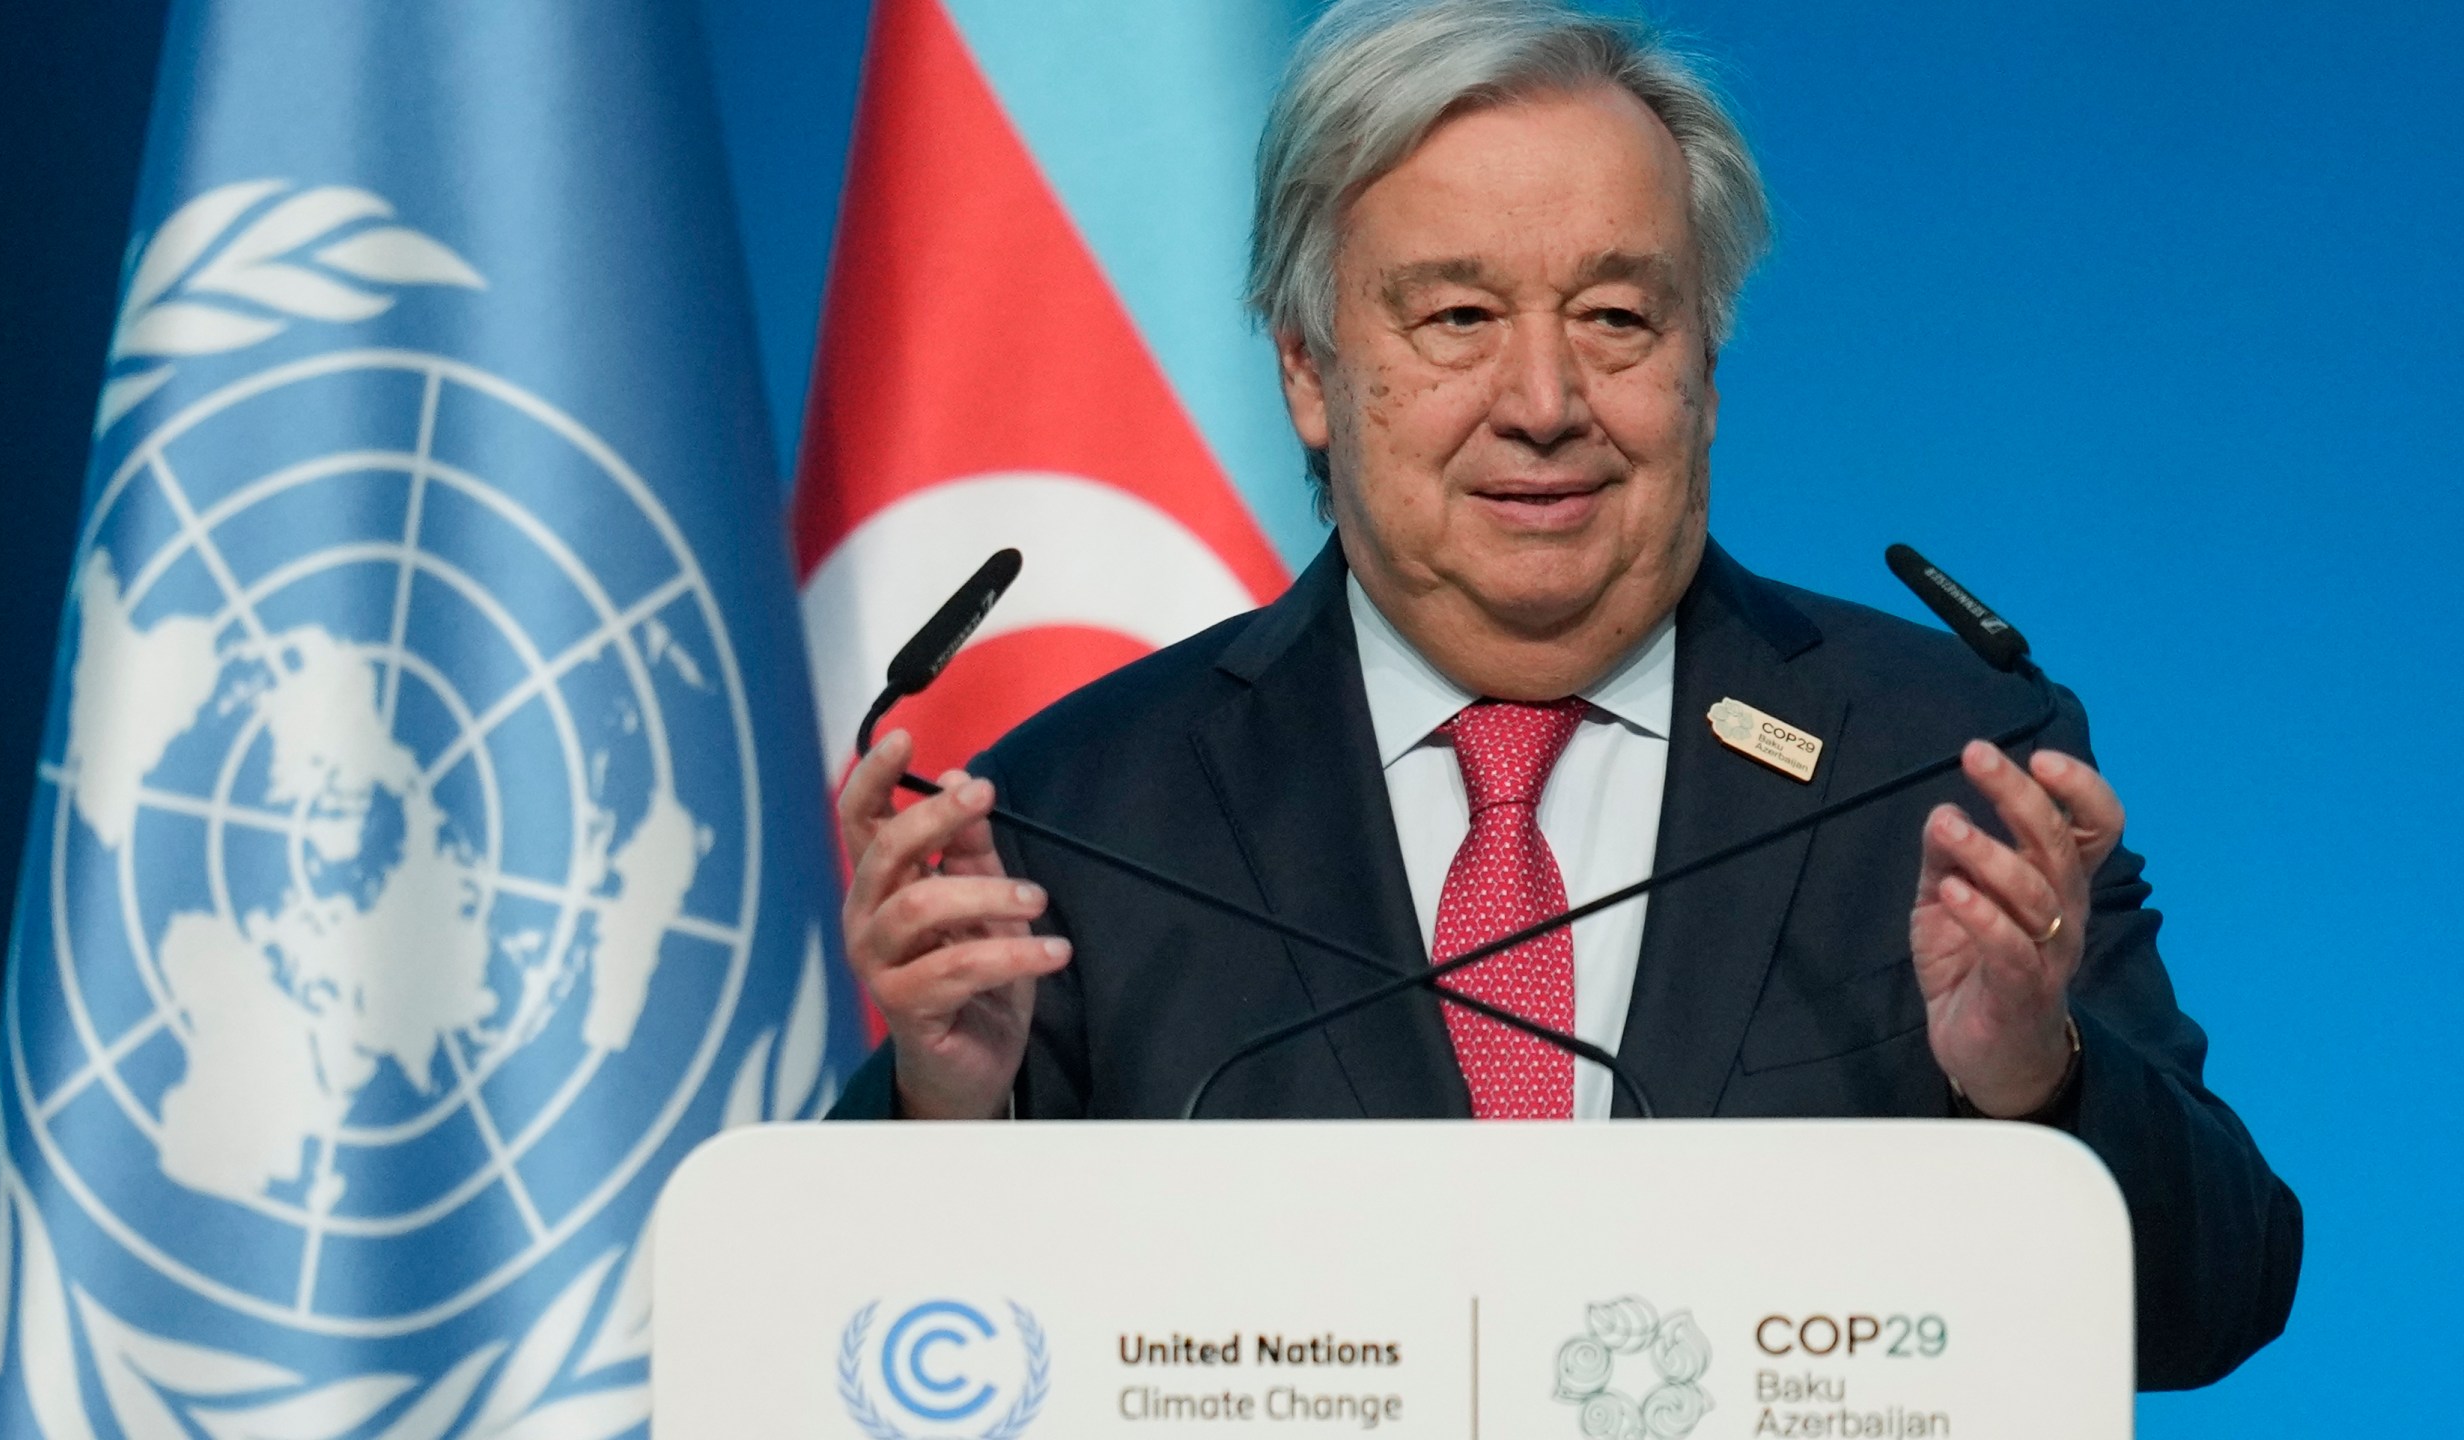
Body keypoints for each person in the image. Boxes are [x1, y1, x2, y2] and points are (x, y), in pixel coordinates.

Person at [824, 0, 2298, 1389]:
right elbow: (880, 1357)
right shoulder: (1083, 821)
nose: (1543, 400)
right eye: (1456, 317)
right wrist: (952, 1117)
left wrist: (2035, 1083)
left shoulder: (1937, 773)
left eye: (1615, 318)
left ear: (1705, 371)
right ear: (1309, 374)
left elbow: (2214, 1303)